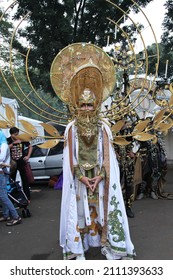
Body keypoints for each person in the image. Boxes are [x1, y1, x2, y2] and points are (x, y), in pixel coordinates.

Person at [0, 130, 21, 226]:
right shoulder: (3, 144)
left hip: (2, 172)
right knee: (3, 195)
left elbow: (1, 159)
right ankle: (6, 215)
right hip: (3, 171)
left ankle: (16, 216)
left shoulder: (3, 145)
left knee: (3, 195)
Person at [7, 127, 33, 201]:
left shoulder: (22, 139)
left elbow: (30, 146)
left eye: (17, 134)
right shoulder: (8, 140)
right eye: (15, 135)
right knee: (12, 179)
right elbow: (5, 148)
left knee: (24, 178)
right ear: (11, 134)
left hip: (21, 161)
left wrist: (28, 156)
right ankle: (13, 197)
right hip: (12, 163)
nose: (16, 136)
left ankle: (27, 197)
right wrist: (13, 143)